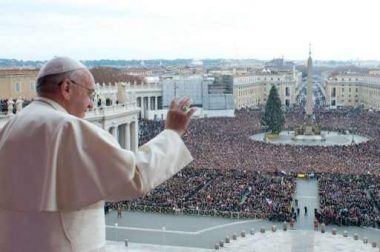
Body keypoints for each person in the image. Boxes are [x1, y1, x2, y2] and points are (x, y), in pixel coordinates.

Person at [0, 57, 196, 252]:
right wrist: (172, 133)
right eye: (90, 94)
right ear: (67, 88)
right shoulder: (68, 128)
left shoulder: (10, 126)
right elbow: (134, 175)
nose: (92, 104)